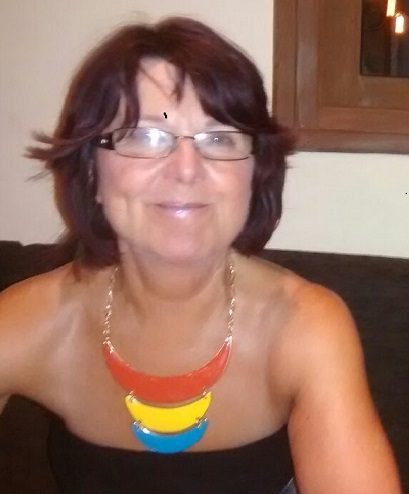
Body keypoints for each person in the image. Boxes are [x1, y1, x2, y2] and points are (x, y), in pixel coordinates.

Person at [0, 16, 402, 494]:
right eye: (146, 136)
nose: (187, 169)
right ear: (92, 173)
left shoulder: (305, 326)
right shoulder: (28, 321)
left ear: (254, 173)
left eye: (219, 137)